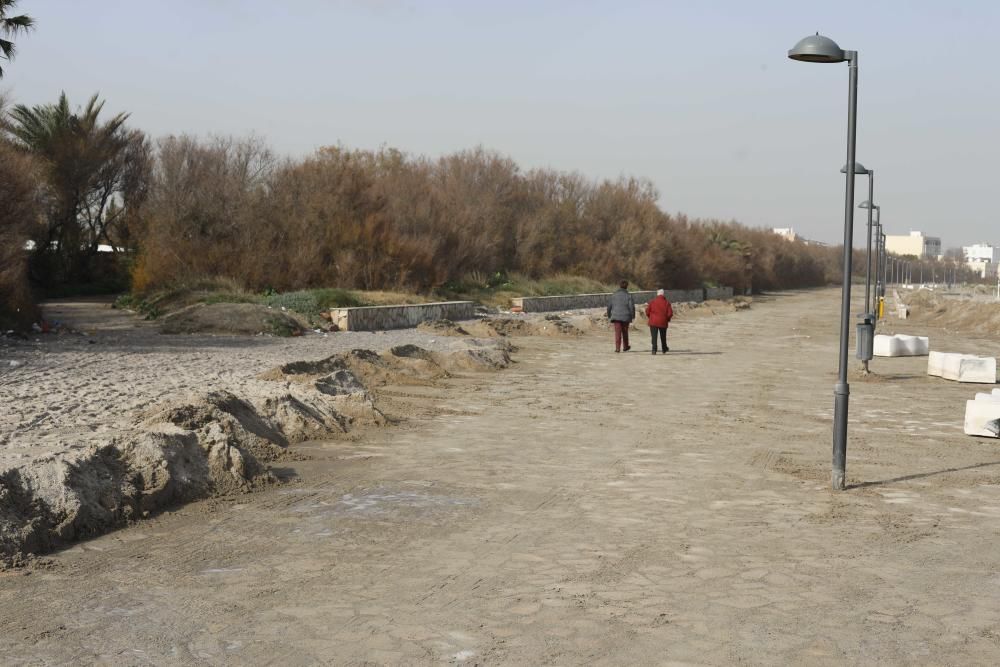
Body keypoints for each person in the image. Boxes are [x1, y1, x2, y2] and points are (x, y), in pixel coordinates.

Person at [606, 279, 636, 352]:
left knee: (617, 333)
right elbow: (631, 307)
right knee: (625, 332)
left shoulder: (614, 295)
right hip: (626, 316)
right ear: (627, 287)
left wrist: (609, 315)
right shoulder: (628, 296)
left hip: (616, 316)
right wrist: (633, 315)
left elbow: (609, 306)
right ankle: (625, 347)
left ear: (619, 286)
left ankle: (617, 348)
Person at [644, 288, 673, 354]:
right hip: (663, 322)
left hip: (653, 322)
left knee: (654, 336)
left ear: (657, 294)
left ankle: (654, 349)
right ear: (663, 294)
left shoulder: (652, 301)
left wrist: (650, 317)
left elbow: (647, 311)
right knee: (663, 336)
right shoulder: (667, 302)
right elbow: (670, 313)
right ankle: (664, 348)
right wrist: (667, 319)